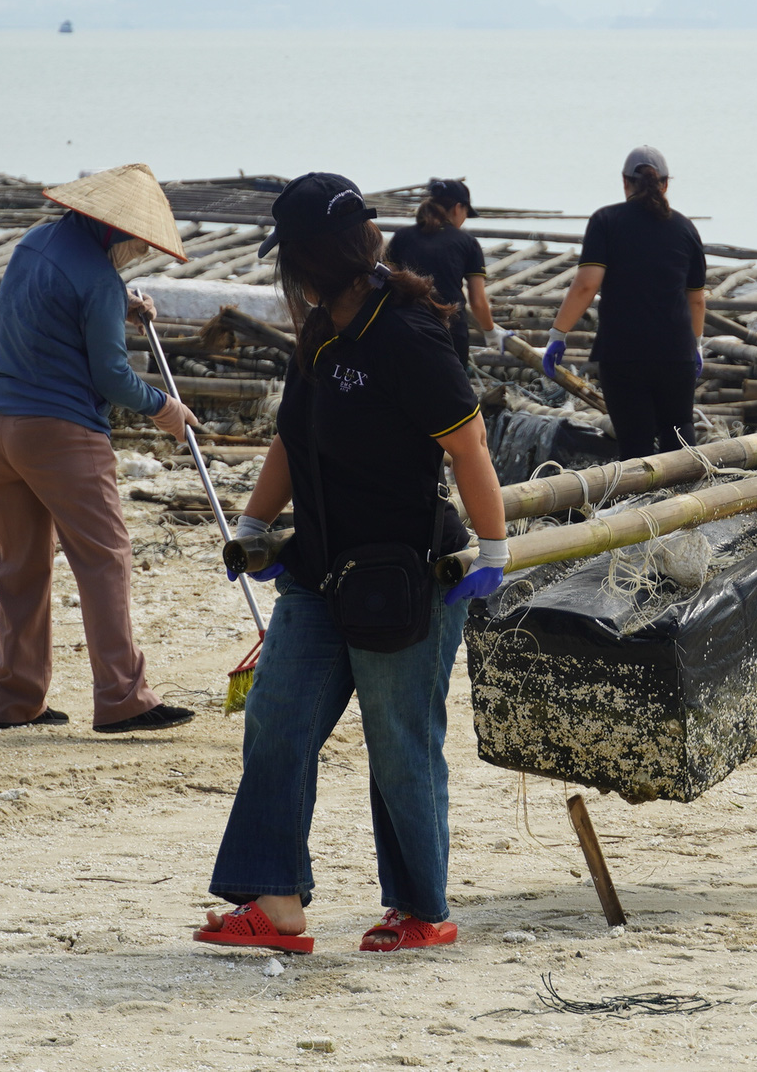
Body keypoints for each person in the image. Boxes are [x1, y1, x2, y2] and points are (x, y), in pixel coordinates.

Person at [196, 172, 509, 955]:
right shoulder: (321, 335)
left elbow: (466, 444)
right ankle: (275, 905)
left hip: (404, 577)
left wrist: (494, 549)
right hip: (318, 568)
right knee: (277, 718)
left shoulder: (406, 333)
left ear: (306, 261)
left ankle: (421, 909)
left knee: (398, 739)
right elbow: (290, 444)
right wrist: (254, 524)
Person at [0, 162, 201, 733]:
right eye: (135, 244)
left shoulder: (34, 244)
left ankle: (15, 699)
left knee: (21, 566)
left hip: (1, 427)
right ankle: (124, 698)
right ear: (115, 230)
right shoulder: (100, 280)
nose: (134, 253)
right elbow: (111, 377)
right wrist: (166, 410)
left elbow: (47, 312)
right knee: (105, 559)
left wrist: (118, 307)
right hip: (62, 433)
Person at [541, 146, 706, 460]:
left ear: (625, 182)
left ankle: (642, 509)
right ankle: (688, 504)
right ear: (666, 183)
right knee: (680, 437)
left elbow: (586, 285)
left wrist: (558, 335)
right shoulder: (686, 229)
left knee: (635, 445)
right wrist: (696, 344)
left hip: (623, 354)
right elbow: (696, 299)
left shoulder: (606, 221)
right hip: (676, 355)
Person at [384, 177, 500, 364]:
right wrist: (490, 331)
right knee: (451, 391)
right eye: (466, 212)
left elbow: (386, 282)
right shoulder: (467, 242)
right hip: (450, 332)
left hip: (404, 327)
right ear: (458, 208)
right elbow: (477, 301)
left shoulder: (401, 237)